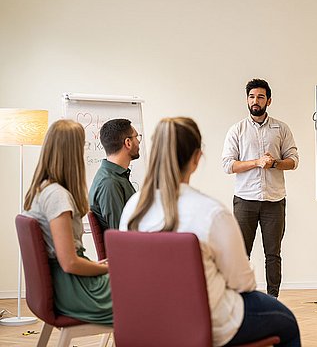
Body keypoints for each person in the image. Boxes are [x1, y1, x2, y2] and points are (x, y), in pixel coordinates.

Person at [120, 117, 300, 347]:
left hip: (148, 319)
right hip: (209, 322)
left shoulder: (132, 209)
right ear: (196, 159)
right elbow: (243, 284)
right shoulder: (211, 213)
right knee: (287, 321)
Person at [23, 119, 113, 324]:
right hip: (75, 289)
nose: (85, 151)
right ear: (73, 152)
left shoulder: (42, 191)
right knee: (145, 291)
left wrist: (97, 266)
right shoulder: (57, 196)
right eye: (83, 145)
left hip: (68, 284)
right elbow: (70, 262)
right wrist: (109, 268)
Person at [222, 78, 299, 298]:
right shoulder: (237, 130)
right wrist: (256, 162)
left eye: (260, 97)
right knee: (241, 254)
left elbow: (293, 161)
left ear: (269, 100)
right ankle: (242, 298)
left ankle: (273, 298)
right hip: (245, 200)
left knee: (273, 254)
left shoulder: (281, 128)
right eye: (252, 96)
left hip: (274, 201)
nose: (256, 101)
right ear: (247, 100)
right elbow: (228, 164)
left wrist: (274, 163)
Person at [89, 118, 140, 230]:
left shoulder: (116, 177)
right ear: (128, 143)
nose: (139, 141)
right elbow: (121, 236)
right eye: (136, 137)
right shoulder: (110, 183)